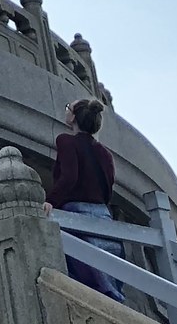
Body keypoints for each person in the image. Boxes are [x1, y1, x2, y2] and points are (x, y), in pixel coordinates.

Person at [45, 97, 126, 303]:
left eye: (67, 108)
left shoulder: (66, 141)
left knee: (83, 274)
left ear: (73, 116)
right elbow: (108, 186)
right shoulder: (105, 153)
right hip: (102, 214)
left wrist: (50, 201)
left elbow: (69, 177)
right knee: (109, 276)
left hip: (76, 211)